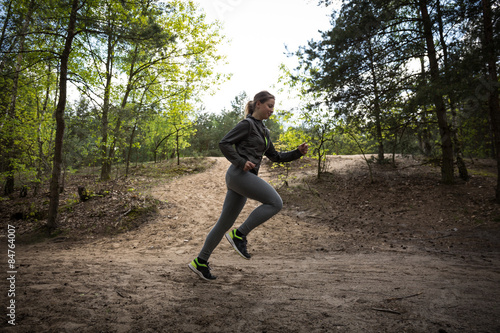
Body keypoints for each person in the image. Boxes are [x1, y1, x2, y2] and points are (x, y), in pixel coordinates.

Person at [188, 90, 308, 281]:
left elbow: (275, 157)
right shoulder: (247, 124)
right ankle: (239, 234)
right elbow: (224, 143)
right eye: (269, 106)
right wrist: (240, 161)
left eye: (273, 107)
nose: (272, 110)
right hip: (239, 175)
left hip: (243, 179)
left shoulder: (265, 131)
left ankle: (200, 262)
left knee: (223, 224)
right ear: (258, 104)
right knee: (275, 203)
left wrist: (297, 152)